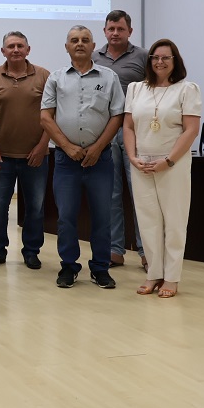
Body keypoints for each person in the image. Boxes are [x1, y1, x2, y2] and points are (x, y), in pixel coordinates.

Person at [40, 25, 124, 289]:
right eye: (74, 40)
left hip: (100, 160)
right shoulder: (56, 78)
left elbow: (117, 115)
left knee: (102, 216)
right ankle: (68, 266)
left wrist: (99, 147)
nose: (79, 44)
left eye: (85, 40)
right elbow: (45, 117)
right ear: (66, 46)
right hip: (67, 161)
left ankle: (100, 268)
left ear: (92, 45)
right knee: (66, 216)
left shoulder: (109, 77)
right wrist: (66, 146)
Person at [123, 39, 201, 298]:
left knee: (175, 221)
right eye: (155, 57)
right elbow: (128, 126)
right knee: (148, 222)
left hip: (172, 164)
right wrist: (132, 157)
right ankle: (154, 273)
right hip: (141, 163)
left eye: (165, 58)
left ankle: (172, 278)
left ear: (175, 61)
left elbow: (191, 129)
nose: (159, 62)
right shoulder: (136, 89)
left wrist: (167, 161)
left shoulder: (187, 89)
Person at [0, 32, 50, 270]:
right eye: (10, 46)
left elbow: (53, 115)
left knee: (35, 207)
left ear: (28, 49)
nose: (15, 49)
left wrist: (43, 146)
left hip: (36, 155)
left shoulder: (43, 75)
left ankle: (31, 251)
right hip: (0, 155)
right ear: (3, 51)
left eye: (20, 46)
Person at [93, 10, 148, 270]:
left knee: (140, 190)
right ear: (105, 31)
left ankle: (147, 251)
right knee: (111, 193)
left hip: (135, 131)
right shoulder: (94, 57)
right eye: (111, 28)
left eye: (120, 29)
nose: (115, 33)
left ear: (130, 31)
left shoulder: (143, 57)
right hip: (104, 131)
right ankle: (115, 250)